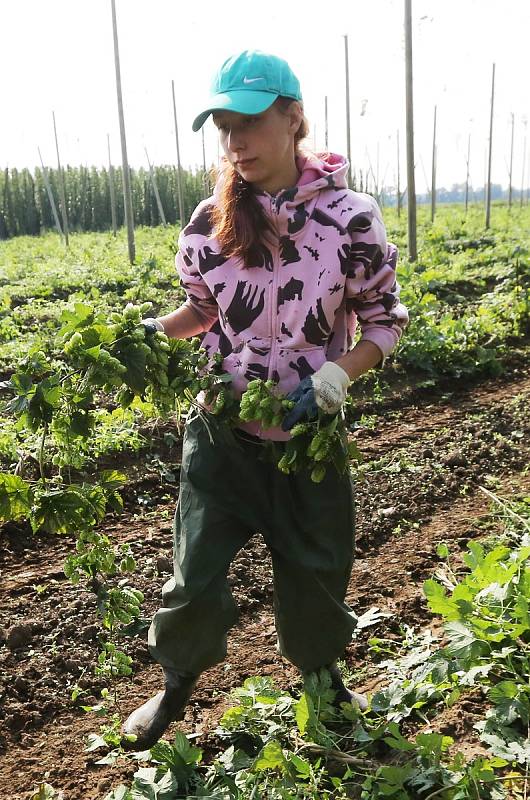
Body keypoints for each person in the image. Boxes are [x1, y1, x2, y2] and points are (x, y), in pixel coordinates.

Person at [123, 49, 409, 750]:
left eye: (248, 121)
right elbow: (200, 313)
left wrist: (338, 376)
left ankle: (323, 681)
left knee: (316, 577)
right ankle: (176, 687)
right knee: (192, 580)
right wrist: (142, 336)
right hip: (223, 437)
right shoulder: (206, 224)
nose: (234, 141)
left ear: (292, 117)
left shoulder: (350, 220)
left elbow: (384, 319)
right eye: (223, 125)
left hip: (309, 443)